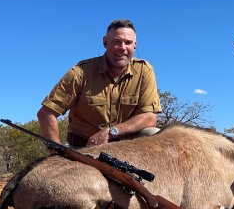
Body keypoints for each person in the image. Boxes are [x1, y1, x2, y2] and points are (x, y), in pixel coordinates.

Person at [37, 19, 162, 148]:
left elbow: (149, 118)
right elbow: (46, 113)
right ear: (105, 42)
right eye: (117, 42)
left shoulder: (144, 70)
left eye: (128, 43)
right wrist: (57, 151)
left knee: (154, 133)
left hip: (125, 150)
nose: (123, 48)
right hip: (83, 148)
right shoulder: (81, 72)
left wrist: (112, 132)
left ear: (135, 45)